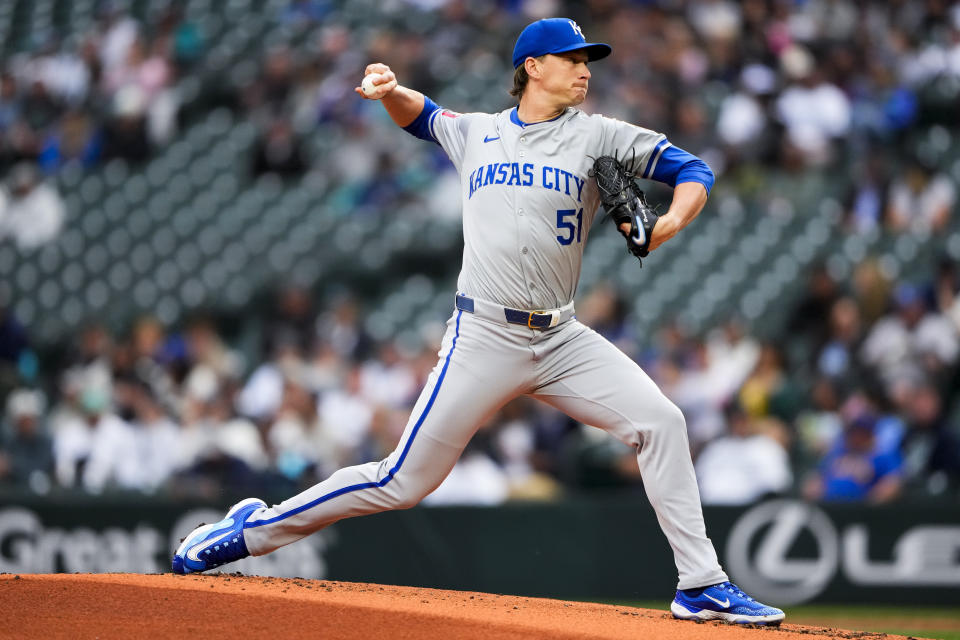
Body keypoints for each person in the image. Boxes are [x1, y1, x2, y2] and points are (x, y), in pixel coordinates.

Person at [172, 18, 785, 625]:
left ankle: (701, 584)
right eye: (571, 58)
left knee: (661, 422)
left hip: (561, 336)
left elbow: (694, 172)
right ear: (533, 68)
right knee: (402, 482)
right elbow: (424, 115)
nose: (584, 69)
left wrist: (667, 225)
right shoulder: (479, 133)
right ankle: (251, 531)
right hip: (484, 334)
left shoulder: (598, 134)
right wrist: (390, 91)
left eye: (586, 59)